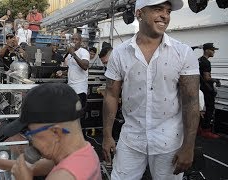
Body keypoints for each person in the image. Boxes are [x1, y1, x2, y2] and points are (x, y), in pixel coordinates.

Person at [102, 0, 200, 179]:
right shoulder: (120, 53)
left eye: (168, 11)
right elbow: (111, 95)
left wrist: (188, 146)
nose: (165, 15)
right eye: (158, 9)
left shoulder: (183, 53)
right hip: (131, 139)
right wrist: (107, 135)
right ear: (139, 13)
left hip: (169, 142)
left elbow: (191, 102)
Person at [0, 83, 101, 180]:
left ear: (56, 133)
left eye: (31, 133)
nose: (30, 141)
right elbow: (41, 166)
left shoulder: (62, 176)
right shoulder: (84, 153)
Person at [56, 33, 90, 112]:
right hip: (71, 88)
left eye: (76, 39)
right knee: (71, 113)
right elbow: (71, 69)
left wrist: (73, 54)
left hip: (80, 88)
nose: (74, 41)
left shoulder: (83, 52)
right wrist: (63, 73)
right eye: (73, 39)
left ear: (80, 42)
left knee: (78, 114)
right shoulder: (69, 55)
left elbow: (85, 66)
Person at [198, 43, 220, 139]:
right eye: (212, 50)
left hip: (200, 89)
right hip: (207, 90)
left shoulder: (199, 60)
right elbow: (207, 78)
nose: (214, 52)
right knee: (209, 109)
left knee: (201, 109)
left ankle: (199, 128)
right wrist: (216, 80)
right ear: (207, 50)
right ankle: (206, 130)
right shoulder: (206, 62)